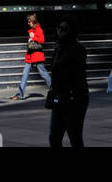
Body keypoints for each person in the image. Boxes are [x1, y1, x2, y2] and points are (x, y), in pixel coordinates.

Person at [47, 18, 90, 148]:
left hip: (74, 99)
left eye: (64, 29)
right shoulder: (58, 48)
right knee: (54, 137)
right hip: (59, 97)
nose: (60, 31)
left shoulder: (78, 49)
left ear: (71, 31)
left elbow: (74, 73)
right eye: (59, 28)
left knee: (75, 137)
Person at [12, 13, 52, 99]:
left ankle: (54, 90)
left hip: (37, 56)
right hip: (30, 56)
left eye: (29, 21)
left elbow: (42, 40)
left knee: (44, 74)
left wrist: (34, 37)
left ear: (33, 21)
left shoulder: (38, 30)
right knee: (25, 75)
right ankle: (20, 94)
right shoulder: (32, 31)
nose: (28, 23)